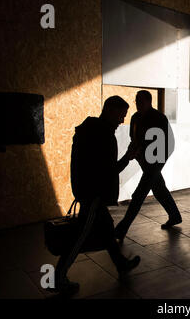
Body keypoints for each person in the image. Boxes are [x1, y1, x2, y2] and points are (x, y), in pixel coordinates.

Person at [51, 96, 140, 295]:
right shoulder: (103, 135)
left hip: (88, 191)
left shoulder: (90, 129)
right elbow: (108, 170)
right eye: (120, 115)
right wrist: (128, 157)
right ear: (109, 110)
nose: (122, 120)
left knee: (107, 229)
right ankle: (58, 278)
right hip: (93, 195)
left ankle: (120, 263)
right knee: (80, 237)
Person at [114, 90, 182, 243]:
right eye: (136, 101)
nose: (137, 104)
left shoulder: (159, 118)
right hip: (145, 162)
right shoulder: (135, 118)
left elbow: (168, 144)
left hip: (154, 163)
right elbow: (134, 138)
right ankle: (175, 216)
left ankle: (122, 228)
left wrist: (158, 163)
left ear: (149, 101)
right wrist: (135, 153)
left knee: (139, 195)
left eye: (140, 101)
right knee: (159, 189)